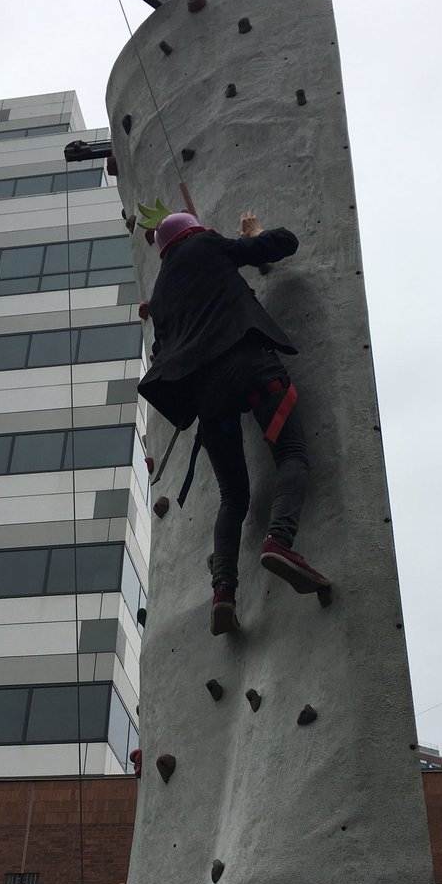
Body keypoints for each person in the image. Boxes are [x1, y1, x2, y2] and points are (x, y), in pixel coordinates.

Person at [138, 209, 329, 635]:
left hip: (208, 397)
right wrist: (259, 234)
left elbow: (161, 353)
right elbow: (283, 242)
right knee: (292, 454)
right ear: (194, 232)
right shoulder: (207, 245)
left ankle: (223, 590)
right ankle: (279, 540)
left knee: (233, 498)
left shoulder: (162, 292)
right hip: (249, 367)